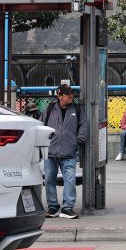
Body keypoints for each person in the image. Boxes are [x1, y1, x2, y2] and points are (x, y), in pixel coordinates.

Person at [42, 84, 88, 219]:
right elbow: (41, 124)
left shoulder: (77, 109)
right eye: (68, 94)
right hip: (50, 150)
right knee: (49, 179)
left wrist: (78, 141)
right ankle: (52, 207)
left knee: (70, 180)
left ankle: (67, 208)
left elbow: (83, 125)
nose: (71, 96)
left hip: (69, 150)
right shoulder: (50, 108)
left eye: (71, 93)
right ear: (59, 96)